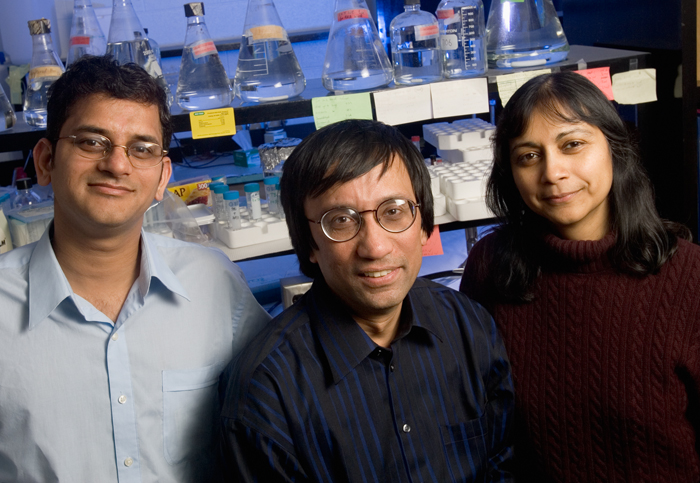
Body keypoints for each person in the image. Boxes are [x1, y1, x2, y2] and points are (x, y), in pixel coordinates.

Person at [0, 56, 270, 482]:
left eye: (141, 149)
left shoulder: (213, 283)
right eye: (92, 142)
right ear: (46, 160)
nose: (117, 165)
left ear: (163, 177)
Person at [219, 119, 514, 482]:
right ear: (309, 242)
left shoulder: (469, 328)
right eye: (341, 220)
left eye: (393, 211)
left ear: (423, 225)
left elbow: (503, 466)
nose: (374, 247)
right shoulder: (265, 392)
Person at [460, 71, 700, 482]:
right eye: (528, 156)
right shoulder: (490, 266)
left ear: (615, 148)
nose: (552, 172)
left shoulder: (689, 276)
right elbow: (482, 428)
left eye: (572, 145)